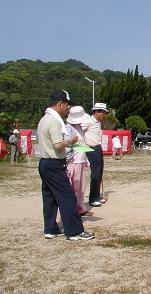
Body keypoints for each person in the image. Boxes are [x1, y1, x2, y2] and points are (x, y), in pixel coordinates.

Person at [37, 90, 94, 241]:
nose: (67, 108)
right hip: (55, 163)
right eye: (67, 104)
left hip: (45, 163)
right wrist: (70, 141)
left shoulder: (44, 119)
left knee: (49, 198)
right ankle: (74, 231)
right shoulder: (54, 121)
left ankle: (50, 229)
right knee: (68, 197)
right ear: (60, 103)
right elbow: (58, 145)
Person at [65, 106, 92, 217]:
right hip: (74, 161)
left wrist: (86, 159)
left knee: (81, 187)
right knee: (74, 187)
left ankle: (80, 207)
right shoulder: (68, 128)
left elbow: (81, 144)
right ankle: (73, 210)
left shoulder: (79, 128)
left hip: (80, 160)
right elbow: (67, 146)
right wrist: (69, 162)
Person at [82, 102, 108, 207]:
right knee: (95, 173)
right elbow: (79, 132)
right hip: (90, 148)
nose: (104, 115)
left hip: (98, 148)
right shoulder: (88, 121)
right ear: (96, 112)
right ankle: (93, 199)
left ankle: (97, 196)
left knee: (99, 172)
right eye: (103, 112)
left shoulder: (98, 122)